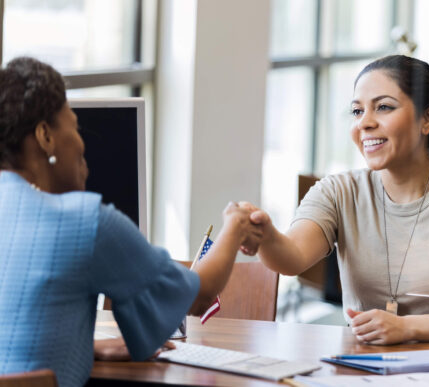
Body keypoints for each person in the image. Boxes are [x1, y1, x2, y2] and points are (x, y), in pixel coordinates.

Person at [0, 57, 261, 386]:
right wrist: (234, 225)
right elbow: (198, 295)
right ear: (45, 136)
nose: (82, 143)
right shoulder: (86, 222)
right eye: (75, 126)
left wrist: (85, 346)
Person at [240, 55, 429, 345]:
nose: (365, 123)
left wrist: (407, 328)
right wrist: (266, 235)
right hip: (364, 368)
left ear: (428, 117)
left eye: (384, 107)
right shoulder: (337, 191)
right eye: (357, 111)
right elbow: (292, 258)